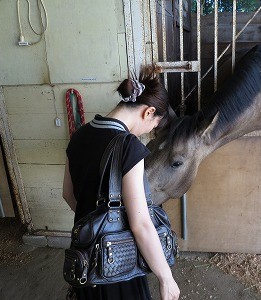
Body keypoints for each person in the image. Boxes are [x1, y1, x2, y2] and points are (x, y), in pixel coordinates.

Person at [62, 67, 180, 300]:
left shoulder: (78, 136)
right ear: (149, 112)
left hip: (85, 257)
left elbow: (68, 194)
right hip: (116, 261)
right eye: (154, 126)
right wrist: (166, 277)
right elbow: (141, 224)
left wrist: (95, 226)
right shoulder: (128, 147)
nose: (149, 132)